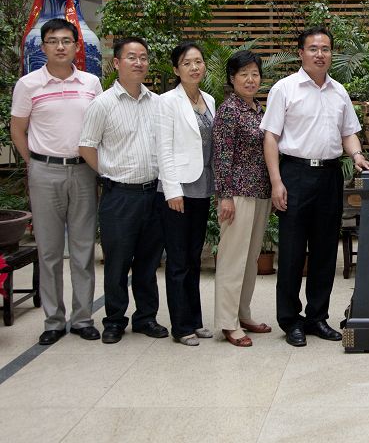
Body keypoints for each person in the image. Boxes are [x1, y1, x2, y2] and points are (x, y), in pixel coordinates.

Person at [262, 26, 369, 347]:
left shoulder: (338, 91)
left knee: (325, 251)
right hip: (295, 174)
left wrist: (357, 156)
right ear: (301, 53)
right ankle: (290, 320)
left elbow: (348, 132)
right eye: (313, 48)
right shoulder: (284, 89)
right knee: (292, 252)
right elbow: (270, 137)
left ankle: (317, 317)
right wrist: (276, 181)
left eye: (325, 49)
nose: (320, 54)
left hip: (329, 176)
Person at [10, 18, 103, 345]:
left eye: (66, 41)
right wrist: (34, 164)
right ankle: (53, 320)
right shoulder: (28, 85)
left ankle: (82, 318)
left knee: (82, 249)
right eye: (53, 41)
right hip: (44, 172)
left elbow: (100, 128)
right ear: (43, 46)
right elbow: (18, 130)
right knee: (49, 250)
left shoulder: (91, 83)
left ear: (77, 46)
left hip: (83, 171)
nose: (60, 46)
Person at [79, 37, 168, 344]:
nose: (138, 62)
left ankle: (146, 317)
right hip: (119, 196)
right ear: (116, 63)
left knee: (148, 262)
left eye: (143, 57)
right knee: (117, 263)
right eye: (131, 57)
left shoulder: (157, 103)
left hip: (153, 194)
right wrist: (108, 173)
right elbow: (86, 146)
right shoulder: (102, 104)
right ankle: (115, 320)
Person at [155, 42, 215, 346]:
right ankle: (181, 326)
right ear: (176, 69)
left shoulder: (209, 99)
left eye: (198, 61)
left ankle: (196, 319)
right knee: (178, 260)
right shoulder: (167, 101)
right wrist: (172, 190)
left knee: (194, 256)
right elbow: (163, 148)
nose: (194, 67)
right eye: (187, 63)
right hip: (177, 189)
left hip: (202, 186)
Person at [212, 50, 273, 348]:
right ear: (232, 78)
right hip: (236, 194)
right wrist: (225, 196)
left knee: (249, 260)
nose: (250, 79)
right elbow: (221, 157)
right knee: (233, 260)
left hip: (260, 192)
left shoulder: (259, 109)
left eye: (255, 74)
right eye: (244, 74)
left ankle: (243, 313)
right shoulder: (229, 110)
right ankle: (228, 322)